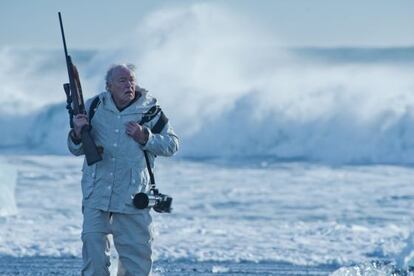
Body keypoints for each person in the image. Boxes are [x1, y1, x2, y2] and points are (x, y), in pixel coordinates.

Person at [67, 64, 179, 275]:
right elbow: (76, 148)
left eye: (132, 80)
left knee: (136, 265)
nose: (129, 85)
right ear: (109, 86)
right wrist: (77, 133)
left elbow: (172, 144)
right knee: (94, 261)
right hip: (97, 194)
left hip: (132, 197)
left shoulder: (151, 110)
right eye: (122, 81)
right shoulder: (93, 107)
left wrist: (146, 137)